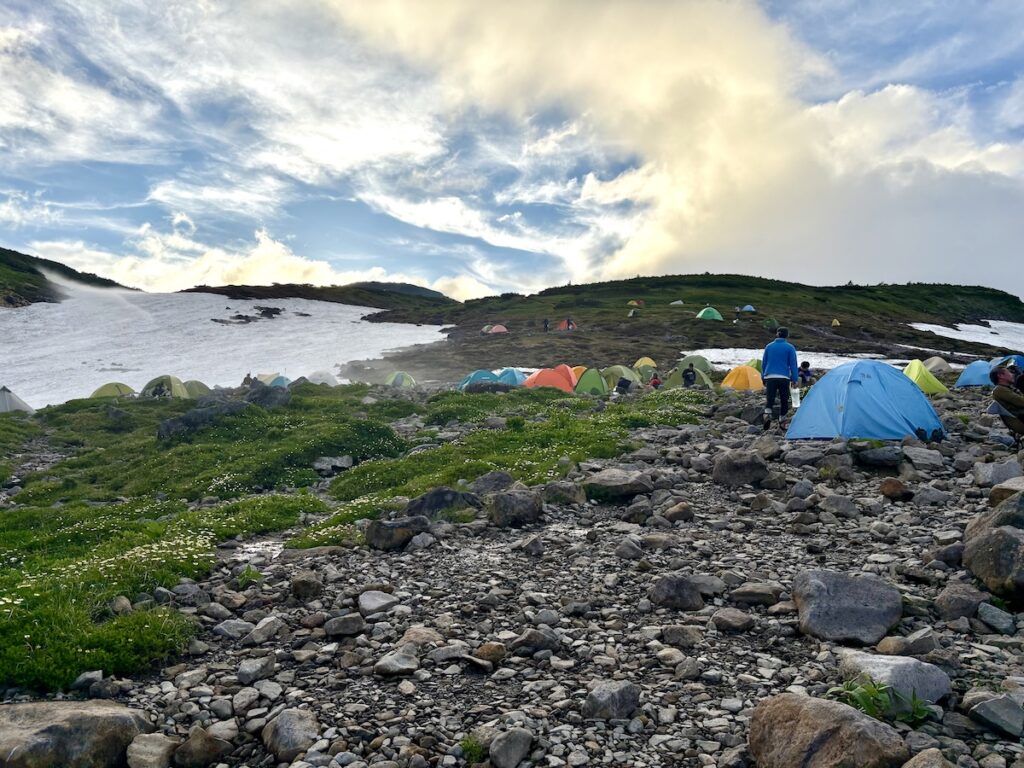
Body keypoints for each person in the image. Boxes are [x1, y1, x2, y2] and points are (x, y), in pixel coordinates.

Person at [761, 327, 799, 430]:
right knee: (784, 400)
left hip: (770, 376)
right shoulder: (790, 347)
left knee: (770, 399)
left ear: (777, 334)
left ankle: (768, 415)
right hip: (784, 377)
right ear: (787, 335)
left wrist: (763, 377)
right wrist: (795, 379)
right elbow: (793, 365)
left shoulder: (769, 346)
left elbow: (764, 363)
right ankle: (782, 420)